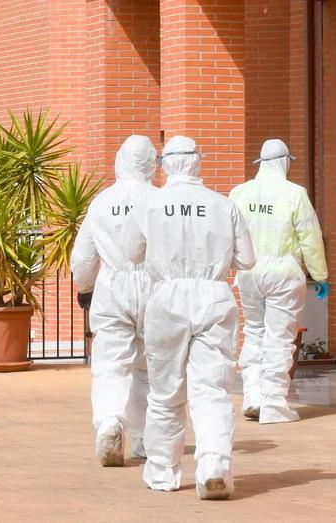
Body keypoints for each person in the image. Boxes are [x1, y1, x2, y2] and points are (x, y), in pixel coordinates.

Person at [121, 135, 256, 500]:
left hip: (166, 298)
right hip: (213, 295)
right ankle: (213, 465)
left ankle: (163, 470)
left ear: (166, 163)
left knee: (165, 391)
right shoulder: (222, 204)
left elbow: (131, 252)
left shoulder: (150, 204)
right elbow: (247, 259)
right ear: (198, 161)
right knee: (212, 389)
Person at [70, 135, 158, 467]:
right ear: (152, 163)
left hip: (113, 285)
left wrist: (85, 287)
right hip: (152, 285)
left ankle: (110, 421)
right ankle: (145, 437)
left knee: (111, 362)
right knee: (149, 367)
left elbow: (82, 257)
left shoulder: (102, 201)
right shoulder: (160, 199)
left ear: (120, 160)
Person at [229, 139, 329, 424]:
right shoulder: (294, 194)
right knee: (279, 337)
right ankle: (273, 403)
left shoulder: (240, 192)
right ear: (285, 161)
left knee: (255, 332)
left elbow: (230, 234)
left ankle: (253, 395)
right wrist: (320, 275)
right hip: (283, 272)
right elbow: (310, 238)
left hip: (248, 272)